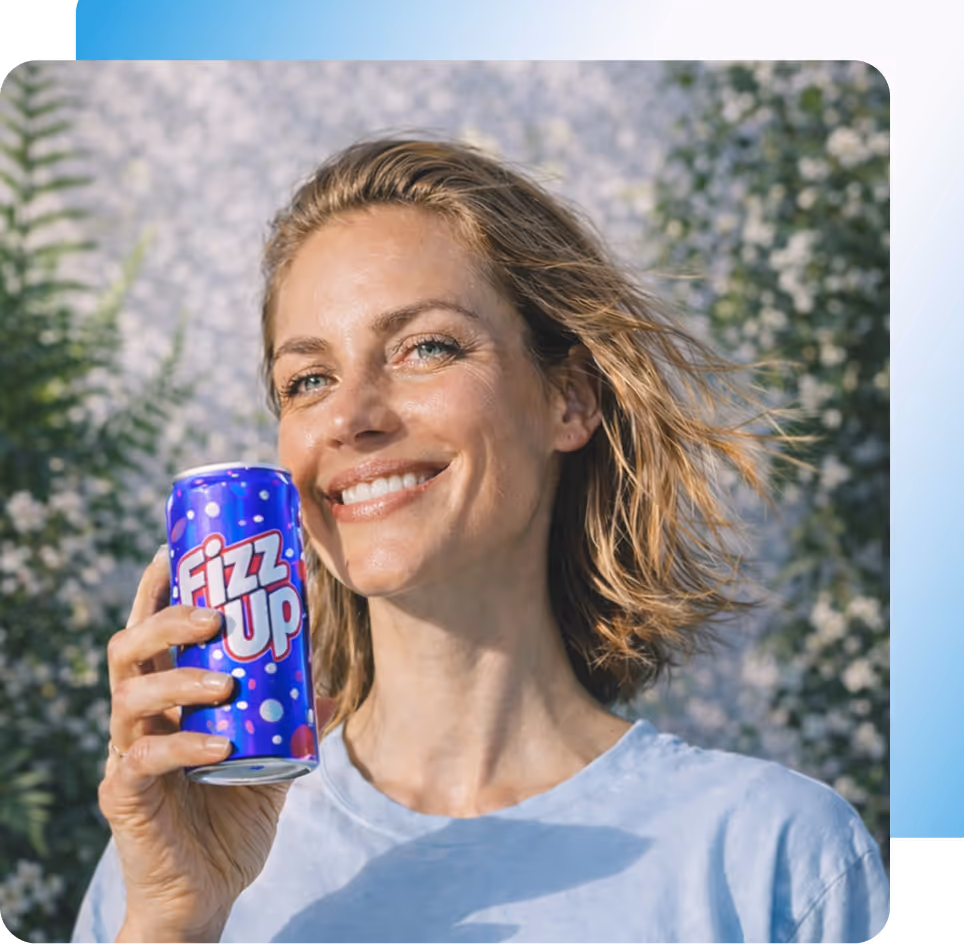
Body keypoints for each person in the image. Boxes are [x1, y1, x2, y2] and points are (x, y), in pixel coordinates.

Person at [71, 137, 889, 944]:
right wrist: (174, 924)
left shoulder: (772, 861)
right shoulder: (171, 864)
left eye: (425, 347)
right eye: (307, 380)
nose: (352, 417)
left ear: (567, 400)